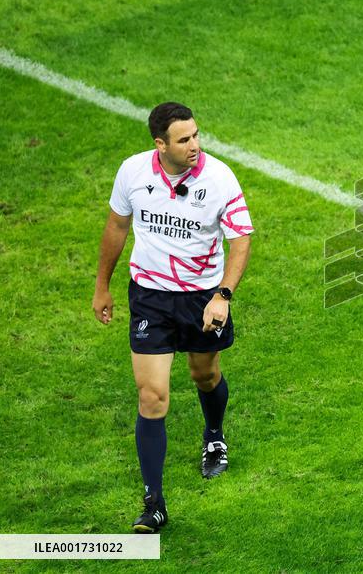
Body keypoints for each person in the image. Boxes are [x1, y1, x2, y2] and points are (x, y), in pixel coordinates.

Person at [92, 102, 253, 533]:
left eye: (197, 135)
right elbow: (117, 228)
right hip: (150, 296)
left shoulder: (219, 178)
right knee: (152, 397)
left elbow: (240, 242)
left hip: (202, 297)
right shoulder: (133, 173)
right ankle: (154, 502)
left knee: (205, 375)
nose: (195, 145)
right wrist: (102, 285)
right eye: (184, 139)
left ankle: (214, 434)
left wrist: (223, 296)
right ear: (160, 144)